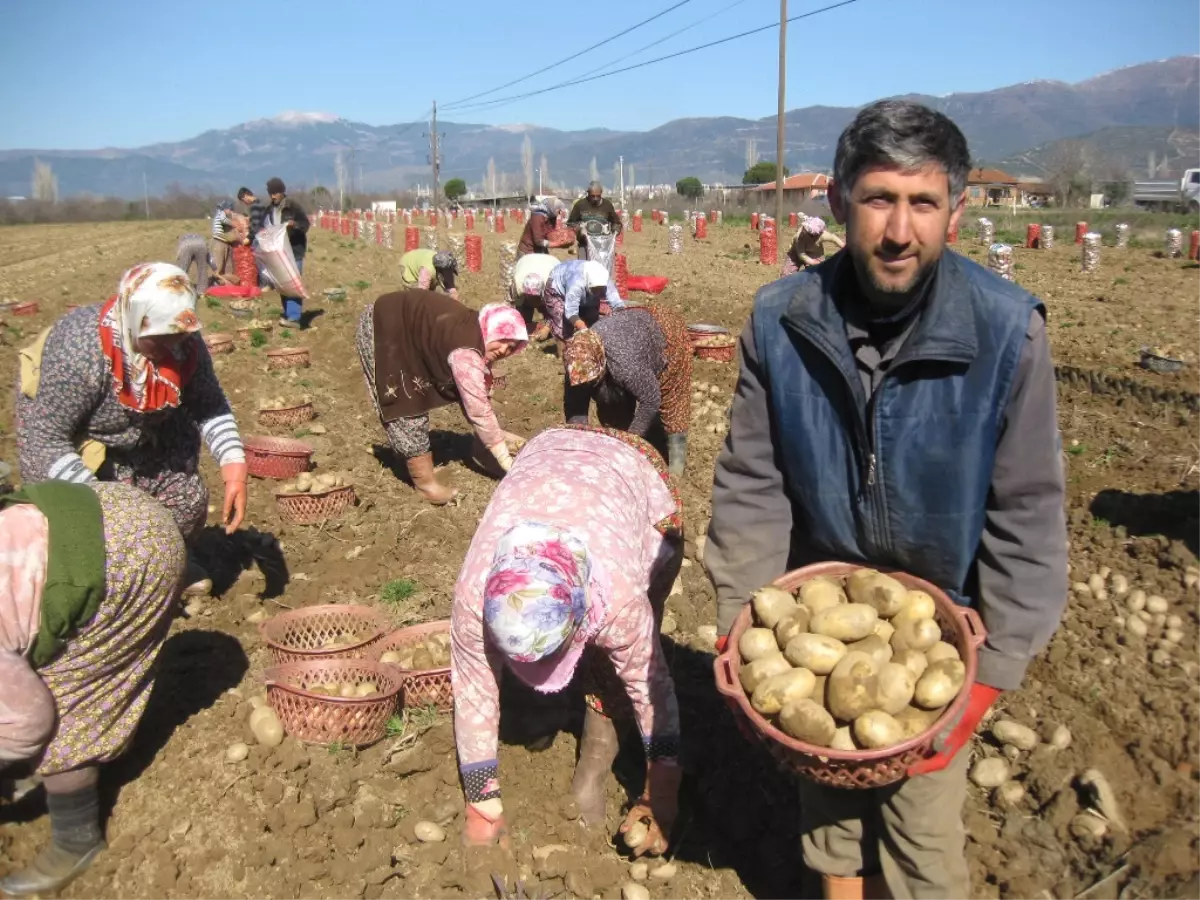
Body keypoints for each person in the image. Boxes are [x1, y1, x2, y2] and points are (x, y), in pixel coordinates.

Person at [705, 99, 1067, 900]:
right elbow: (751, 483)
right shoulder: (780, 321)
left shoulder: (1009, 336)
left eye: (923, 203)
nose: (900, 229)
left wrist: (984, 678)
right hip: (818, 606)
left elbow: (1029, 514)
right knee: (829, 811)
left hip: (942, 627)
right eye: (878, 199)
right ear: (837, 201)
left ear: (957, 212)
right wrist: (743, 620)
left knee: (921, 834)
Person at [451, 425, 683, 856]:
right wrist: (482, 804)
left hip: (637, 474)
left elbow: (650, 688)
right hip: (549, 448)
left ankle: (597, 753)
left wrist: (662, 788)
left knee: (615, 666)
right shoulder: (473, 597)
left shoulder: (619, 600)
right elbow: (473, 692)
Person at [16, 262, 248, 597]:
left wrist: (233, 465)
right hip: (79, 440)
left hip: (148, 428)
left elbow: (208, 403)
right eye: (162, 340)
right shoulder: (80, 352)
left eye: (180, 337)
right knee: (94, 526)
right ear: (133, 322)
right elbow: (44, 440)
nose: (174, 347)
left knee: (186, 500)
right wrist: (109, 508)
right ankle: (108, 580)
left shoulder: (186, 343)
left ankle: (170, 564)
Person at [0, 480, 186, 896]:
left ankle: (77, 839)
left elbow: (30, 720)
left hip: (127, 560)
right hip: (106, 511)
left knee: (64, 712)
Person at [355, 291, 529, 504]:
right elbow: (477, 408)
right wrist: (503, 457)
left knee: (415, 394)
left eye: (511, 347)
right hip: (385, 327)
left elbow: (476, 396)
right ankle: (425, 485)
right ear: (492, 330)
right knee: (407, 401)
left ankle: (411, 456)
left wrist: (495, 437)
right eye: (502, 340)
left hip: (406, 325)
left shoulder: (479, 330)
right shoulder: (466, 351)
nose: (503, 350)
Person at [563, 305, 693, 476]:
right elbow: (575, 407)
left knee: (672, 400)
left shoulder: (626, 365)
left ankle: (676, 468)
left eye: (592, 380)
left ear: (601, 365)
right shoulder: (576, 361)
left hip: (664, 333)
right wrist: (580, 450)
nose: (586, 386)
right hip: (626, 331)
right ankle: (620, 448)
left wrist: (629, 443)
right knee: (612, 408)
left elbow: (651, 399)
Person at [263, 177, 310, 327]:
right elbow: (263, 226)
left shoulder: (293, 206)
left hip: (294, 250)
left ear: (282, 192)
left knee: (293, 283)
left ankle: (294, 318)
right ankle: (288, 314)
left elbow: (305, 224)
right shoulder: (269, 210)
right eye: (271, 193)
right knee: (282, 283)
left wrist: (294, 225)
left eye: (275, 193)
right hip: (278, 252)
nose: (273, 196)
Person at [542, 259, 625, 341]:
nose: (598, 292)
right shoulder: (576, 283)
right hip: (557, 287)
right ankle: (563, 350)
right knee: (563, 324)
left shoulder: (604, 279)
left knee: (592, 319)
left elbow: (617, 304)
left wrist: (624, 320)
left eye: (601, 289)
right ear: (588, 284)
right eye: (595, 290)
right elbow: (571, 312)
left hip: (585, 291)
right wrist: (583, 328)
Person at [510, 252, 560, 341]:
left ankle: (549, 327)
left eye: (536, 297)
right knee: (522, 313)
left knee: (550, 310)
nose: (533, 301)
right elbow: (513, 304)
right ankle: (526, 325)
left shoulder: (552, 285)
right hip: (525, 261)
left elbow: (558, 309)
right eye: (530, 297)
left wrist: (547, 328)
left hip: (551, 263)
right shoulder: (517, 284)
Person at [567, 182, 622, 252]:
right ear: (588, 193)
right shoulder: (580, 205)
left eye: (598, 196)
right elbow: (570, 223)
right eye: (592, 196)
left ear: (601, 193)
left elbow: (616, 223)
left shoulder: (607, 205)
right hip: (584, 244)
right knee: (585, 263)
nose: (595, 198)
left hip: (602, 244)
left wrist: (615, 231)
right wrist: (579, 229)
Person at [782, 215, 846, 275]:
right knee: (787, 273)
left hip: (815, 252)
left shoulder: (822, 235)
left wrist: (844, 247)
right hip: (796, 253)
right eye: (804, 229)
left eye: (807, 232)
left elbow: (834, 238)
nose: (804, 232)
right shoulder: (799, 238)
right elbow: (801, 254)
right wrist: (812, 262)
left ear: (816, 234)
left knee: (820, 272)